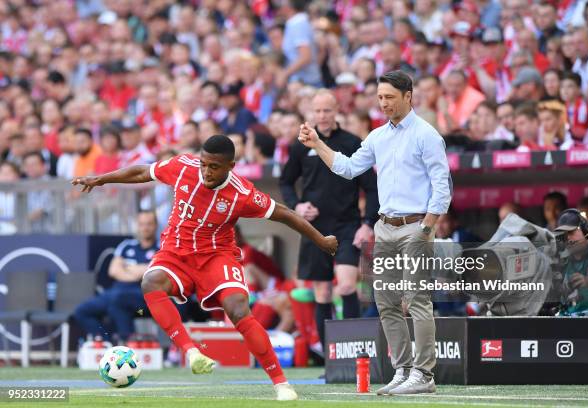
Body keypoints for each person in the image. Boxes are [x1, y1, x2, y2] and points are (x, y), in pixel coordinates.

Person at [72, 135, 338, 401]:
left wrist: (321, 240)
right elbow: (144, 171)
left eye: (214, 167)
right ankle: (191, 351)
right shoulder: (183, 167)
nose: (206, 172)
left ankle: (281, 383)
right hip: (176, 252)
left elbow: (285, 213)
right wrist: (101, 179)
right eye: (203, 164)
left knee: (238, 309)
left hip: (216, 256)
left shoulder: (243, 194)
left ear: (230, 166)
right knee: (151, 282)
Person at [298, 70, 451, 395]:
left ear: (408, 97)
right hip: (386, 228)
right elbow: (348, 168)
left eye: (389, 98)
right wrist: (317, 144)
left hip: (415, 227)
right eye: (380, 98)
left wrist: (428, 226)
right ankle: (403, 369)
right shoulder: (378, 136)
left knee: (417, 300)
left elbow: (442, 184)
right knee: (386, 301)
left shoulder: (427, 135)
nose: (383, 104)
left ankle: (424, 375)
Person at [279, 89, 379, 346]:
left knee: (346, 286)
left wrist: (367, 224)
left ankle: (356, 350)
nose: (322, 115)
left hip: (347, 224)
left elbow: (371, 186)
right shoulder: (301, 144)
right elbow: (286, 182)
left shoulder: (353, 142)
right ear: (311, 112)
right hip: (314, 228)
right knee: (322, 293)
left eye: (327, 110)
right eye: (318, 110)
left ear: (337, 111)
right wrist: (297, 206)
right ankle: (330, 358)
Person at [73, 211, 159, 341]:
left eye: (149, 224)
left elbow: (153, 274)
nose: (145, 228)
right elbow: (113, 271)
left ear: (156, 225)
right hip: (115, 293)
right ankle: (108, 342)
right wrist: (139, 271)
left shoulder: (161, 248)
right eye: (142, 224)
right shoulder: (126, 246)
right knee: (82, 311)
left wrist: (127, 269)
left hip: (141, 301)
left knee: (118, 302)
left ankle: (130, 346)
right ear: (137, 225)